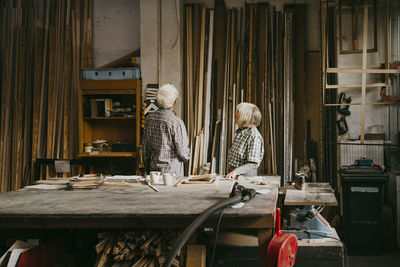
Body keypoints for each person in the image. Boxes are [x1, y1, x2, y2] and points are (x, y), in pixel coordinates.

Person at [142, 83, 190, 177]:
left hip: (154, 172)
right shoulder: (176, 122)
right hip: (172, 174)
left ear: (157, 101)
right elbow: (183, 153)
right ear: (175, 102)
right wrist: (188, 155)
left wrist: (149, 170)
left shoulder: (149, 119)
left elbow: (145, 151)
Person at [225, 102, 264, 179]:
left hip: (245, 179)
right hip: (234, 176)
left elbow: (252, 164)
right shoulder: (240, 132)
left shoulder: (254, 136)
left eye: (238, 112)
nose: (235, 114)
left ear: (245, 117)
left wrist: (236, 171)